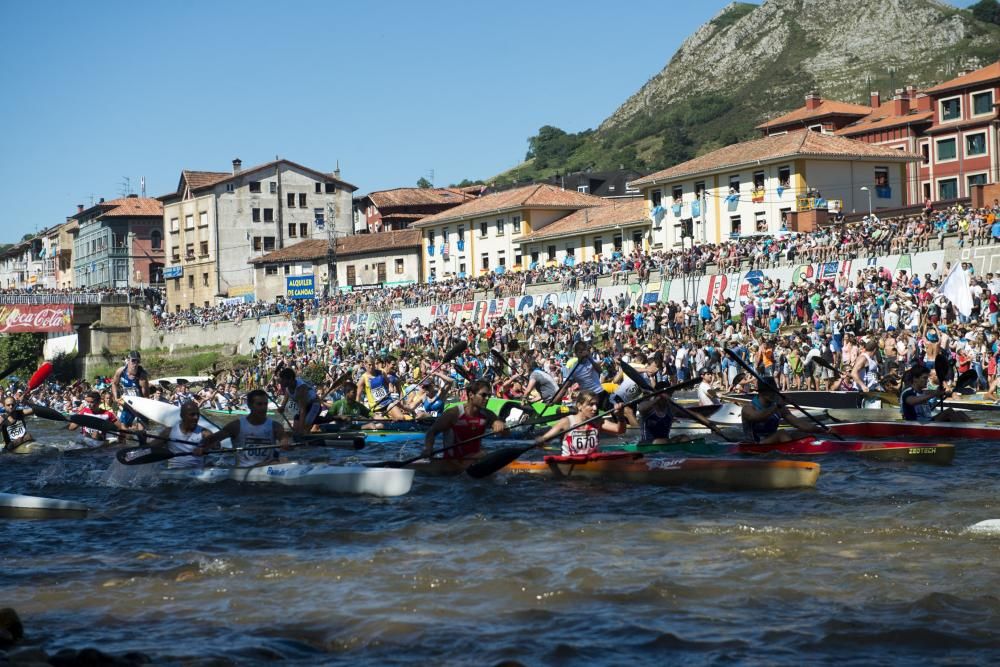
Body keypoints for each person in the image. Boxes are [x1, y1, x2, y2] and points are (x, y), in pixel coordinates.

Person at [201, 389, 290, 466]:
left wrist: (284, 442)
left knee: (285, 459)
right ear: (250, 405)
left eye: (265, 404)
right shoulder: (236, 426)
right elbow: (212, 439)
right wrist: (201, 448)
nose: (263, 408)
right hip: (243, 472)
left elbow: (284, 437)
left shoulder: (275, 426)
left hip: (267, 467)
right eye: (259, 404)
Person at [422, 380, 507, 460]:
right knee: (483, 454)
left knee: (483, 454)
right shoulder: (453, 413)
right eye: (483, 395)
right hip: (451, 464)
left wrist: (500, 424)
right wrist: (428, 448)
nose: (487, 398)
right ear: (471, 395)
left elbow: (506, 433)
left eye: (489, 395)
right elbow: (431, 432)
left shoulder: (488, 414)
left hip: (473, 461)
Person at [533, 389, 625, 456]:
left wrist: (620, 416)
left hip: (592, 465)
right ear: (579, 406)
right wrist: (541, 440)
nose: (595, 408)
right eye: (591, 404)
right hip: (569, 466)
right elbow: (545, 438)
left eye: (596, 404)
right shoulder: (566, 422)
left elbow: (620, 430)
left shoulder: (597, 422)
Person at [740, 378, 823, 444]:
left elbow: (799, 424)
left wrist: (822, 430)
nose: (773, 393)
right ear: (761, 392)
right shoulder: (748, 408)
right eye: (770, 391)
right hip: (754, 444)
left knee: (802, 434)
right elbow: (759, 417)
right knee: (782, 433)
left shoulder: (779, 408)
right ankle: (791, 457)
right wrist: (778, 405)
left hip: (771, 442)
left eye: (774, 391)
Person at [899, 365, 969, 423]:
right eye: (924, 378)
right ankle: (965, 433)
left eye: (927, 378)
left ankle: (973, 427)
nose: (927, 381)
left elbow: (940, 392)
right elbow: (912, 401)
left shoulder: (923, 392)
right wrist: (935, 394)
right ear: (915, 379)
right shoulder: (907, 392)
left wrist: (944, 391)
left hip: (928, 421)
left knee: (960, 413)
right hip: (916, 423)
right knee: (949, 412)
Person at [149, 400, 207, 469]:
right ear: (182, 416)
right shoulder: (168, 432)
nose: (196, 417)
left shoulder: (204, 433)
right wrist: (142, 439)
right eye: (192, 414)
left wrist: (204, 448)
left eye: (198, 414)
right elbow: (150, 448)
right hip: (174, 474)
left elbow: (217, 446)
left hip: (197, 474)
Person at [111, 351, 150, 431]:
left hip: (140, 405)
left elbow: (146, 396)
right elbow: (114, 384)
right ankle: (124, 441)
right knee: (123, 427)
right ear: (128, 360)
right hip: (128, 403)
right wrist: (116, 398)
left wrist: (142, 409)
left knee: (141, 429)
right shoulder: (120, 371)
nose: (135, 364)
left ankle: (143, 442)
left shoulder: (142, 376)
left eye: (138, 361)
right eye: (133, 360)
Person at [277, 367, 320, 434]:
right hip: (305, 406)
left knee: (304, 427)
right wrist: (282, 407)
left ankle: (307, 437)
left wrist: (301, 429)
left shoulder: (300, 387)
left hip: (313, 405)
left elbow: (303, 410)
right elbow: (286, 397)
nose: (281, 382)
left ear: (290, 379)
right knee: (295, 428)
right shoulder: (288, 386)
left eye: (283, 380)